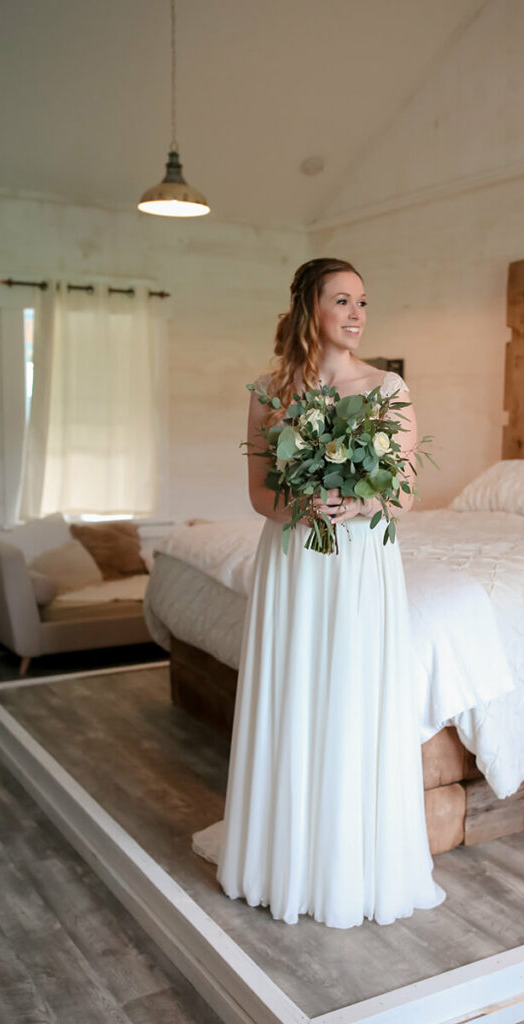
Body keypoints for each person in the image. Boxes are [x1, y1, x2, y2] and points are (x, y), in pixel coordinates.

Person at [192, 257, 447, 928]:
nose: (358, 314)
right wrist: (299, 507)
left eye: (363, 301)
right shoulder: (271, 391)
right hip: (293, 559)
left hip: (362, 563)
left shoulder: (389, 387)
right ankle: (282, 858)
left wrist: (362, 506)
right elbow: (257, 493)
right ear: (311, 309)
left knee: (352, 692)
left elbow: (404, 492)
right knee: (294, 690)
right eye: (342, 300)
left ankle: (353, 861)